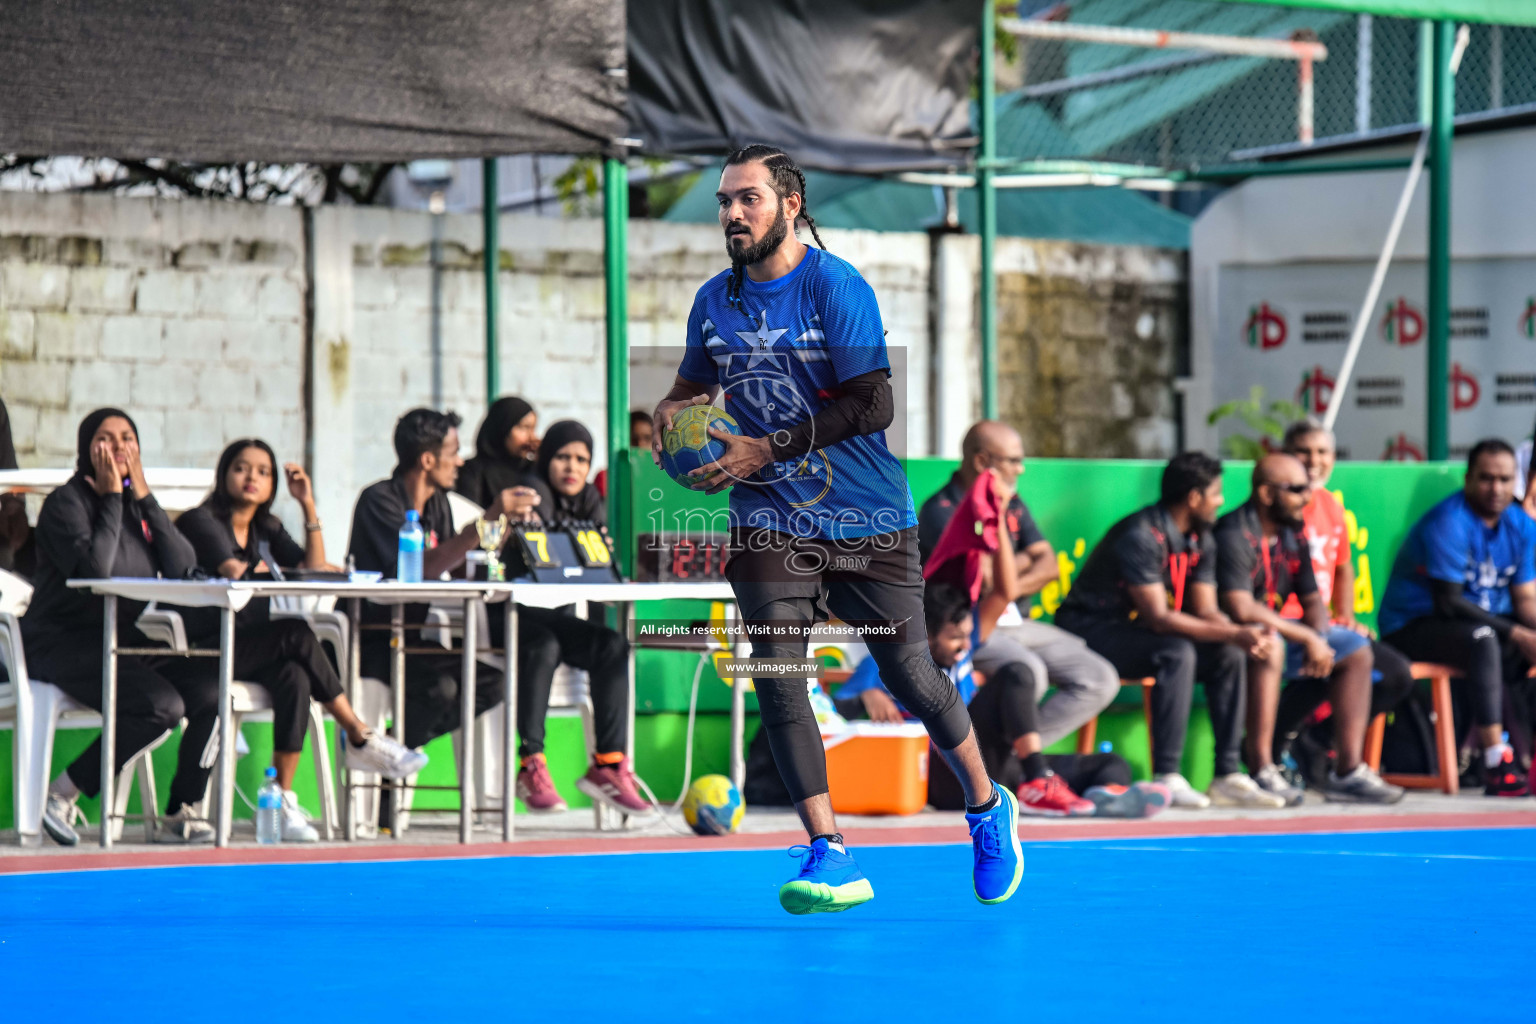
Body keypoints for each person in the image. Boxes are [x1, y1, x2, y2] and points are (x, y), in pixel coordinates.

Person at [651, 144, 1020, 914]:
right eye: (724, 202)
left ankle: (987, 807)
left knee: (911, 677)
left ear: (789, 204)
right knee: (781, 680)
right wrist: (670, 416)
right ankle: (830, 850)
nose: (731, 214)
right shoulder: (714, 302)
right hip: (767, 519)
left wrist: (769, 445)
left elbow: (872, 404)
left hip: (866, 515)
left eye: (747, 199)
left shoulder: (834, 285)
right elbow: (689, 385)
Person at [176, 439, 427, 841]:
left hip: (249, 646)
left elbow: (311, 568)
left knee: (295, 674)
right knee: (296, 633)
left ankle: (282, 799)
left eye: (263, 471)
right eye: (241, 468)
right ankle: (359, 733)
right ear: (224, 473)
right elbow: (235, 571)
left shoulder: (266, 527)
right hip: (205, 646)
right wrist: (264, 569)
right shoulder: (200, 521)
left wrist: (307, 504)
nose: (252, 477)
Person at [24, 408, 217, 845]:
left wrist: (143, 496)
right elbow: (97, 573)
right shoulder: (65, 503)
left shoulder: (138, 507)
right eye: (105, 439)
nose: (118, 448)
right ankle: (60, 794)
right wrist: (112, 498)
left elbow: (184, 567)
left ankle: (180, 811)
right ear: (86, 448)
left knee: (210, 689)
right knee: (160, 705)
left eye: (127, 438)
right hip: (61, 640)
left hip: (120, 638)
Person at [1054, 452, 1276, 809]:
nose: (1221, 502)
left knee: (1229, 654)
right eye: (1216, 494)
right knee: (1176, 651)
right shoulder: (1140, 535)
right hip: (1090, 631)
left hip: (1141, 633)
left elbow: (1205, 610)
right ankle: (1167, 774)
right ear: (1194, 498)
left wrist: (1241, 634)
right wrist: (1236, 632)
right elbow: (1158, 617)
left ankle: (1227, 774)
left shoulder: (1201, 538)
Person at [851, 583, 1167, 818]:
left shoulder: (962, 659)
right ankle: (1037, 780)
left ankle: (1106, 798)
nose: (963, 645)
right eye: (953, 638)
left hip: (990, 766)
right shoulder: (893, 663)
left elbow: (1004, 590)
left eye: (966, 636)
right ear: (927, 637)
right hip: (942, 774)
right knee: (1017, 673)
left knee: (1112, 763)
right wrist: (866, 693)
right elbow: (837, 710)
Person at [348, 410, 527, 813]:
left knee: (491, 682)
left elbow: (452, 564)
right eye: (452, 451)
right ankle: (386, 762)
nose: (459, 461)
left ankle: (391, 746)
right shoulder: (379, 500)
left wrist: (498, 537)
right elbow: (418, 569)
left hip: (413, 640)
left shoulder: (440, 505)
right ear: (427, 460)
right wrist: (483, 521)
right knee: (442, 689)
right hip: (369, 641)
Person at [1213, 454, 1404, 805]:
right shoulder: (1233, 532)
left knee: (1355, 649)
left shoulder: (1293, 530)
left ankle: (1346, 771)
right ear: (1267, 494)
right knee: (1273, 644)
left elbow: (1313, 596)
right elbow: (1240, 607)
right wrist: (1306, 637)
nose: (1307, 497)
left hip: (1279, 632)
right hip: (1232, 636)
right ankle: (1261, 766)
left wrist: (1320, 638)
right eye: (1297, 489)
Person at [918, 421, 1118, 754]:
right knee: (1030, 674)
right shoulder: (942, 510)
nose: (1020, 469)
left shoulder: (1011, 501)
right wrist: (1021, 565)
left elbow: (1048, 566)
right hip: (970, 627)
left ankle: (1008, 756)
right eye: (1012, 460)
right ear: (982, 461)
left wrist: (1011, 575)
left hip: (1017, 622)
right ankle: (1010, 762)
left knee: (1099, 677)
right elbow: (985, 583)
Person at [504, 420, 648, 816]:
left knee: (612, 645)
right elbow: (565, 553)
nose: (572, 467)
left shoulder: (588, 499)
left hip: (555, 617)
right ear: (548, 458)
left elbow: (596, 564)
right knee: (543, 645)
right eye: (563, 457)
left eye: (582, 459)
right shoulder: (528, 493)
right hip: (510, 618)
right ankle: (530, 763)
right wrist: (585, 549)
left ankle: (608, 764)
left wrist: (594, 553)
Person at [1378, 438, 1536, 796]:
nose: (1495, 488)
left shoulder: (1521, 526)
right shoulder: (1449, 521)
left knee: (1506, 645)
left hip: (1482, 629)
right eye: (1486, 478)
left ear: (1517, 481)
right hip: (1413, 626)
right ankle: (1495, 759)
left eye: (1505, 479)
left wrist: (1530, 633)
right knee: (1486, 638)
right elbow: (1449, 603)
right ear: (1467, 479)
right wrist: (1517, 634)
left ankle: (1509, 756)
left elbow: (1525, 596)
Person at [1277, 420, 1415, 785]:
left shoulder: (1330, 505)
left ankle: (1317, 741)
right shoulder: (1279, 506)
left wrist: (1346, 616)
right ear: (1284, 457)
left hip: (1324, 624)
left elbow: (1343, 569)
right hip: (1284, 622)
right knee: (1331, 660)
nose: (1314, 460)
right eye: (1303, 451)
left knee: (1396, 674)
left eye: (1322, 452)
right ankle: (1273, 744)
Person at [455, 395, 549, 513]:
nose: (532, 437)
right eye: (524, 428)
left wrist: (543, 460)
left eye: (533, 429)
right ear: (503, 428)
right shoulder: (472, 471)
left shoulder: (531, 470)